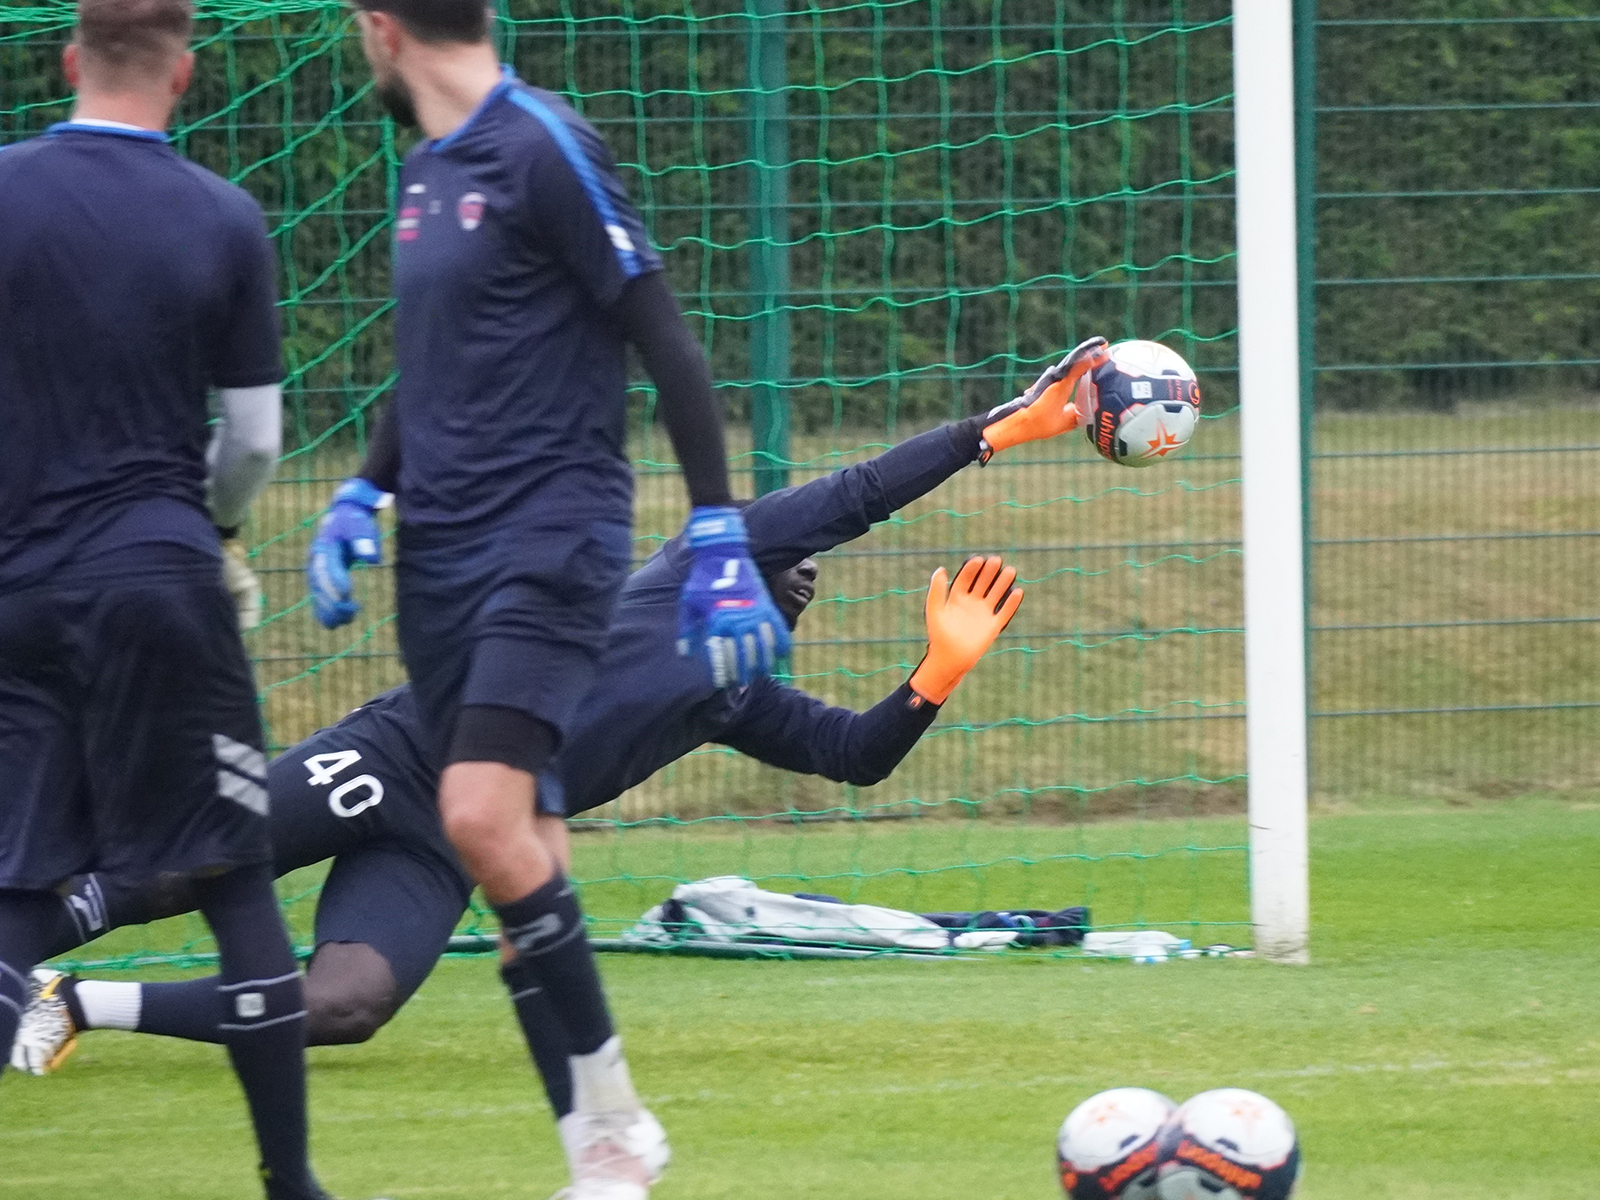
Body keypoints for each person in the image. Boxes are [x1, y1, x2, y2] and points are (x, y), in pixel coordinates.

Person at [12, 340, 1107, 1144]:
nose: (801, 576)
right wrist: (996, 433)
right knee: (179, 872)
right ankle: (16, 950)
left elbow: (855, 754)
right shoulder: (694, 563)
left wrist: (936, 672)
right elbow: (857, 496)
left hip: (450, 845)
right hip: (404, 754)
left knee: (350, 1006)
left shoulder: (734, 700)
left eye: (804, 588)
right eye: (788, 564)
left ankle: (74, 1008)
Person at [300, 3, 791, 1195]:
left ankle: (615, 1134)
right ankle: (604, 1153)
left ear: (380, 27)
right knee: (529, 857)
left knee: (474, 816)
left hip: (550, 543)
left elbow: (663, 337)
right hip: (440, 561)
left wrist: (718, 523)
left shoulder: (543, 142)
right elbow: (435, 363)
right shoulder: (424, 168)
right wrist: (363, 493)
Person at [0, 2, 330, 1198]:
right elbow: (250, 441)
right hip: (162, 588)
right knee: (233, 873)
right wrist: (221, 529)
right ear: (186, 73)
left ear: (68, 57)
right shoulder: (221, 216)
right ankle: (290, 1182)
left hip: (20, 591)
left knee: (18, 885)